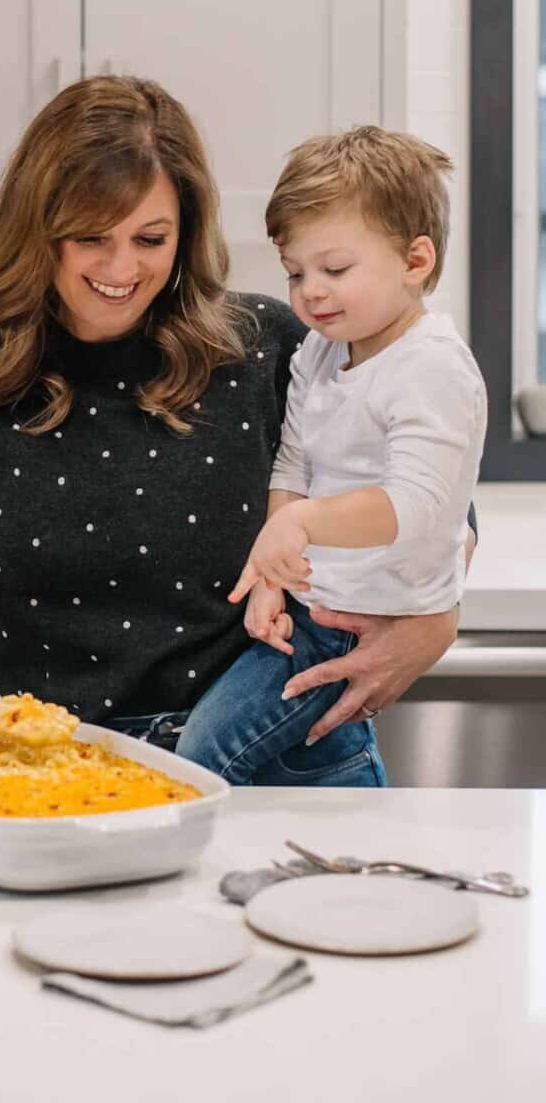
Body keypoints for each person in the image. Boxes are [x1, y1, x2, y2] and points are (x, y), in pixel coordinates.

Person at [0, 79, 471, 787]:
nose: (122, 268)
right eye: (90, 237)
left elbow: (434, 495)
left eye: (150, 238)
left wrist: (431, 623)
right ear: (39, 230)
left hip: (281, 763)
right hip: (58, 773)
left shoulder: (274, 348)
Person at [174, 127, 486, 784]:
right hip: (315, 607)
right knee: (315, 769)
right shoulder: (320, 349)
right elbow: (294, 461)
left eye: (335, 270)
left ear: (416, 260)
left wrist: (303, 525)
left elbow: (418, 506)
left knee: (200, 763)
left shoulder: (431, 368)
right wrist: (273, 575)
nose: (311, 292)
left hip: (358, 620)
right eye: (296, 272)